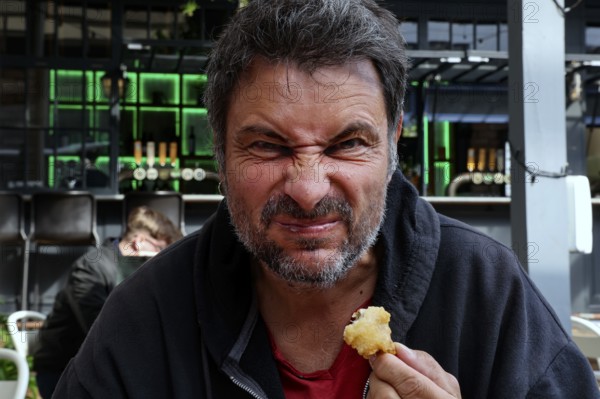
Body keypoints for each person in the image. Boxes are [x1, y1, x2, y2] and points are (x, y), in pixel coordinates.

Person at [54, 1, 600, 398]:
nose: (309, 189)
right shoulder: (147, 316)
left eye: (348, 144)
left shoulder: (486, 294)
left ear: (393, 143)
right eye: (268, 145)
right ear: (219, 151)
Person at [33, 206, 182, 398]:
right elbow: (100, 329)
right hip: (64, 373)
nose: (163, 259)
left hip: (101, 369)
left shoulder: (128, 269)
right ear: (139, 243)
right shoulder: (91, 268)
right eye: (161, 250)